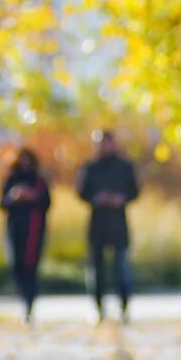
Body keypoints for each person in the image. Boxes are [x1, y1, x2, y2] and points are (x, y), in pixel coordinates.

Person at [75, 130, 139, 323]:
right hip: (97, 225)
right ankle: (98, 308)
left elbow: (134, 191)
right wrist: (96, 199)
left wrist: (121, 199)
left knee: (122, 269)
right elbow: (81, 192)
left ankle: (124, 308)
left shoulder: (125, 166)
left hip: (118, 224)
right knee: (97, 270)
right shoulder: (90, 167)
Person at [0, 147, 52, 324]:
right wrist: (14, 197)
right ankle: (23, 299)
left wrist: (32, 196)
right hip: (15, 229)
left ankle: (29, 304)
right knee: (16, 265)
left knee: (31, 267)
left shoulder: (39, 181)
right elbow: (1, 203)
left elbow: (47, 202)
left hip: (34, 231)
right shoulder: (11, 179)